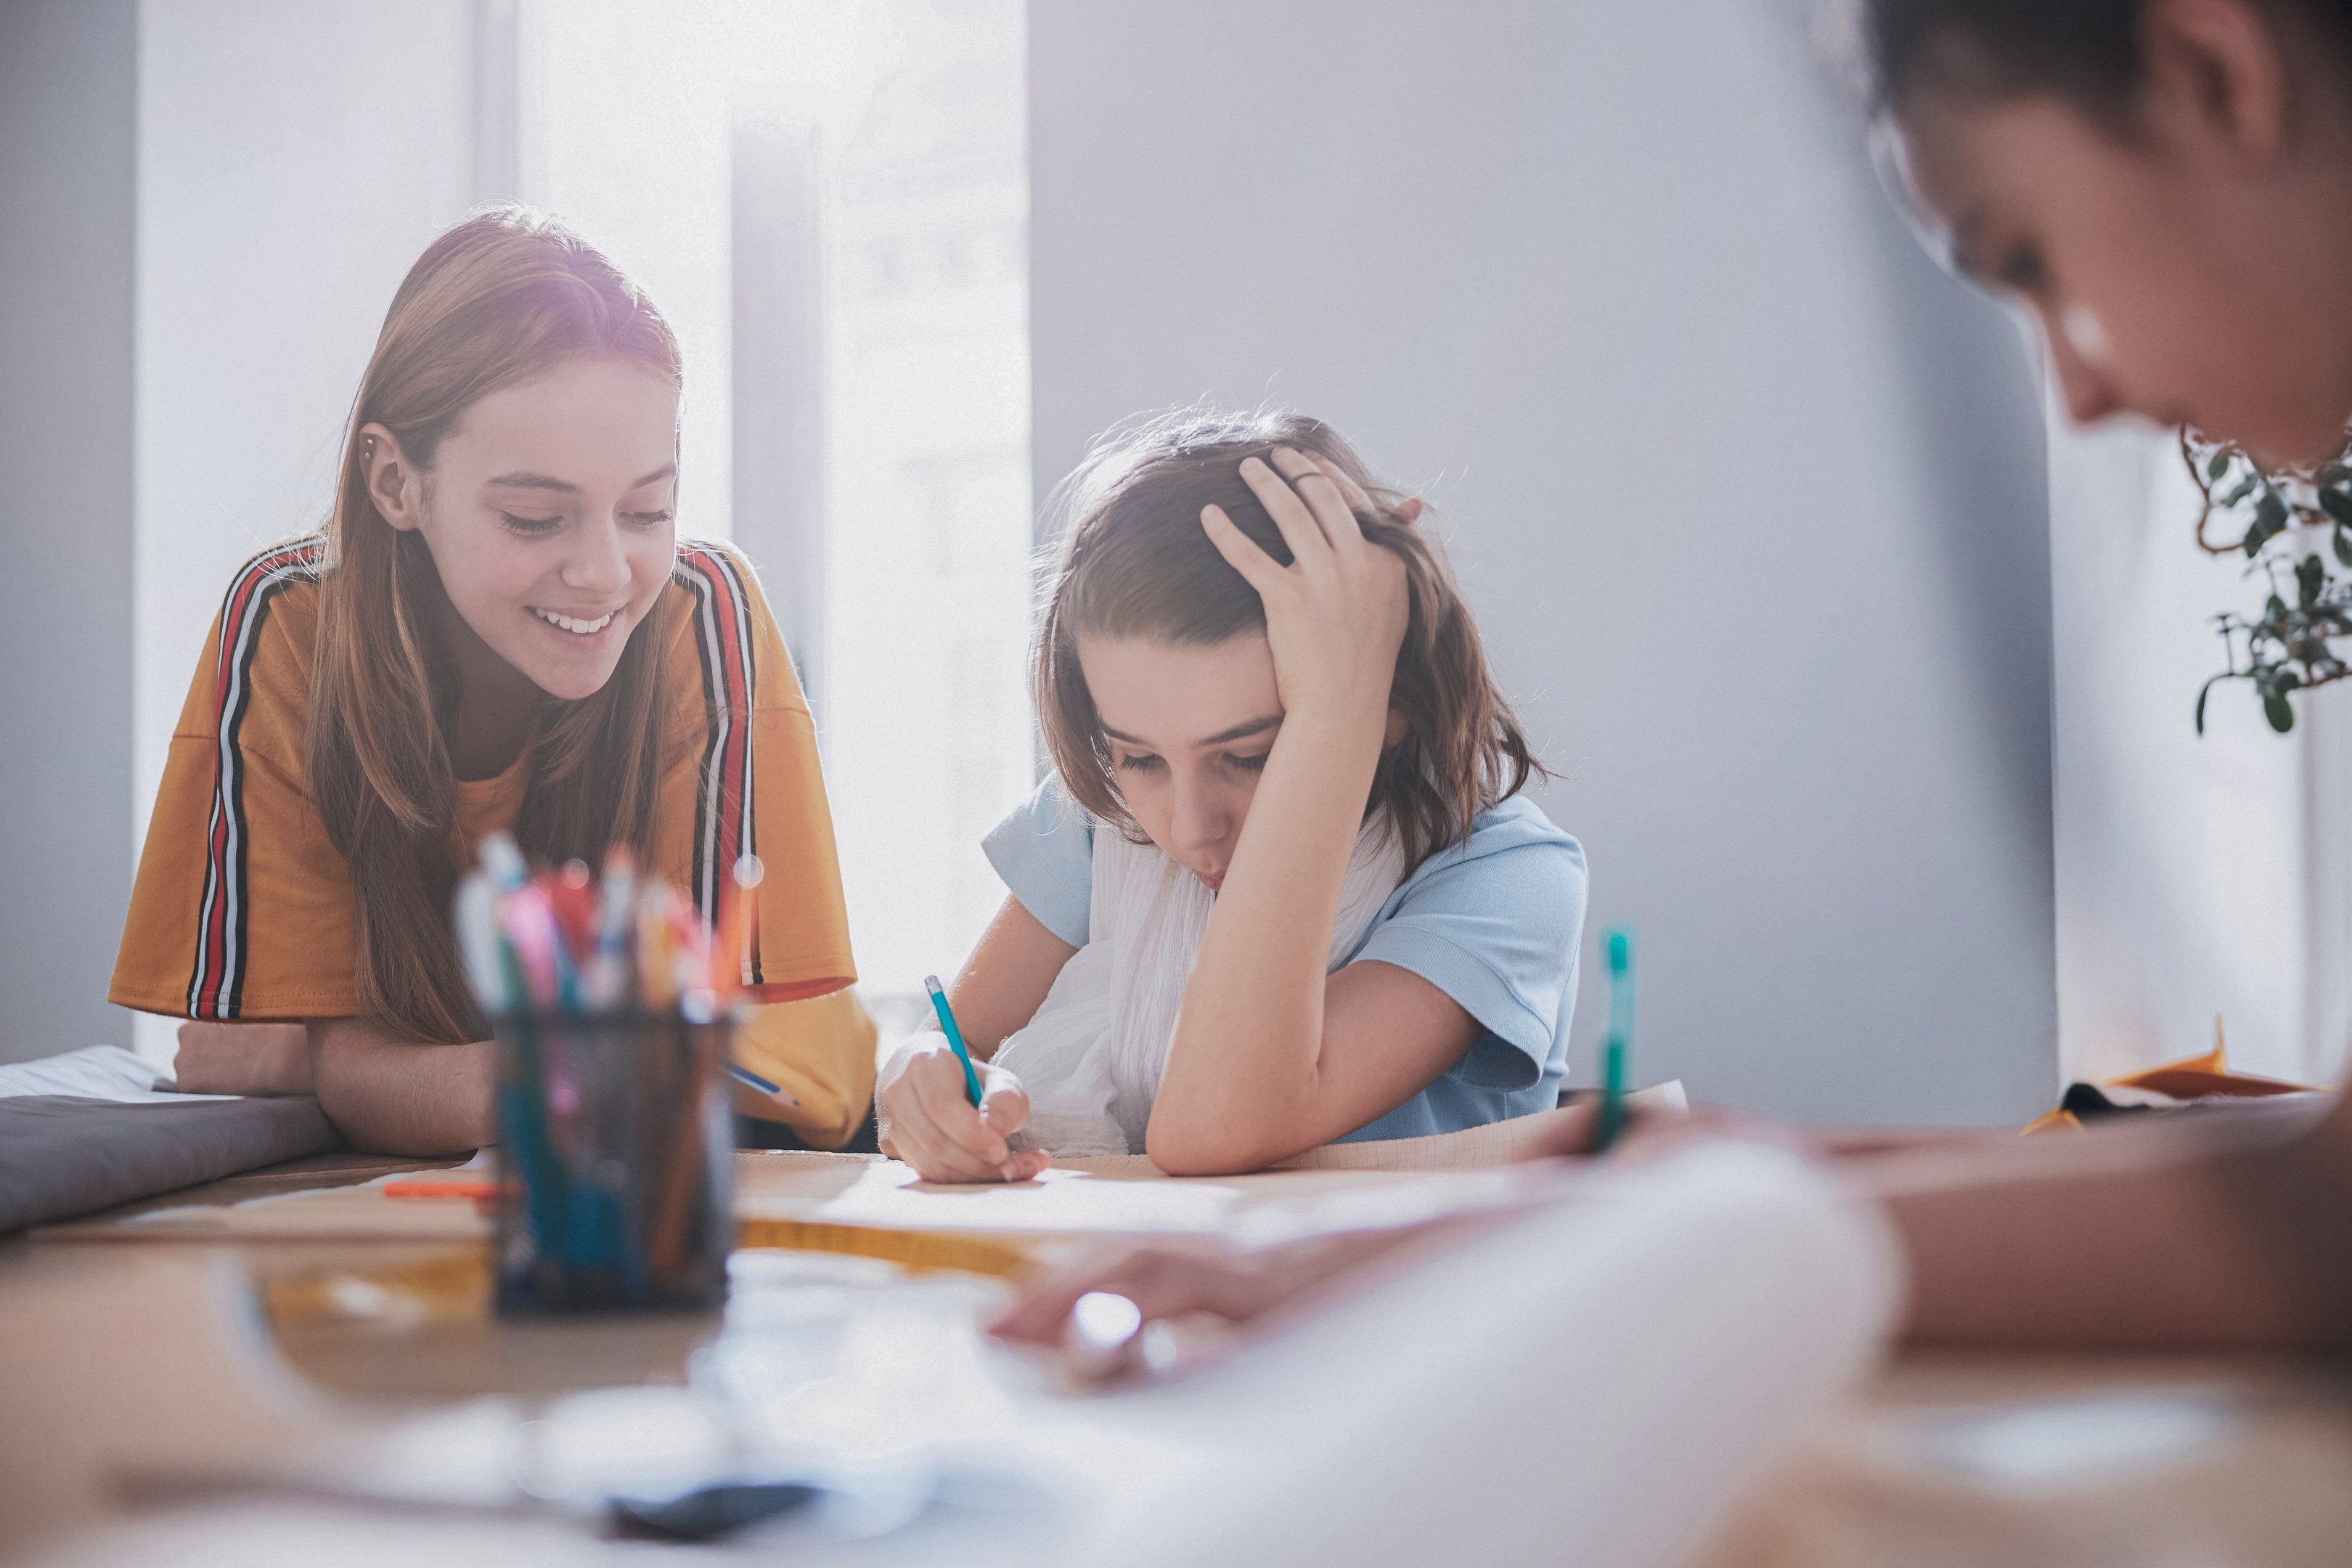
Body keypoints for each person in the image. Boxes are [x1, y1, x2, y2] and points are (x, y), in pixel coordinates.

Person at [993, 0, 2352, 1349]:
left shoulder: (1499, 871)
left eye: (2031, 257)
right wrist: (1611, 1225)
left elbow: (2307, 1219)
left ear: (2211, 70)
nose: (2077, 394)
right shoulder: (1108, 823)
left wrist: (1528, 1251)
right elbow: (2311, 1205)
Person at [110, 207, 875, 1156]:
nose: (604, 572)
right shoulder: (289, 625)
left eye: (647, 509)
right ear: (395, 483)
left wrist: (336, 1062)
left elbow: (707, 1090)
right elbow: (224, 1062)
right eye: (532, 517)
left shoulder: (702, 612)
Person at [876, 410, 1587, 1180]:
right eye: (1139, 758)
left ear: (1385, 699)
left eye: (1248, 757)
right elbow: (957, 1045)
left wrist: (1334, 715)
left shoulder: (1508, 878)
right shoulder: (1100, 821)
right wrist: (922, 1081)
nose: (1189, 828)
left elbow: (1216, 1127)